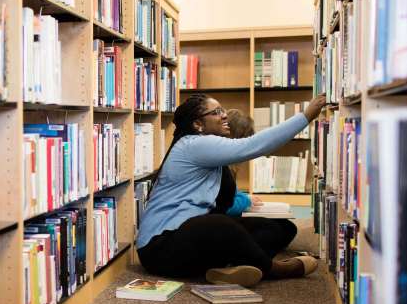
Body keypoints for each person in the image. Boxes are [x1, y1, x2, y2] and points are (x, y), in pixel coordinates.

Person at [136, 93, 327, 287]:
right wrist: (305, 117)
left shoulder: (208, 150)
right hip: (160, 248)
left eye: (223, 110)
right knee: (220, 224)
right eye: (216, 112)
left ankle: (227, 268)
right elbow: (253, 145)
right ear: (198, 125)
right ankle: (270, 269)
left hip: (189, 240)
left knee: (281, 228)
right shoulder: (194, 144)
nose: (225, 115)